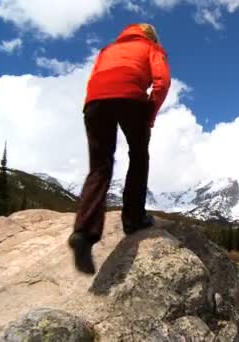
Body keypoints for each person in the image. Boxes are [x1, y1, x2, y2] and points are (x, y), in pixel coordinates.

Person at [68, 23, 171, 274]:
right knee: (138, 155)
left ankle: (83, 233)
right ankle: (133, 219)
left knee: (99, 167)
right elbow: (162, 83)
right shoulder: (151, 47)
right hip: (129, 98)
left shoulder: (107, 50)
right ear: (150, 36)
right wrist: (150, 115)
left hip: (94, 102)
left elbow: (94, 79)